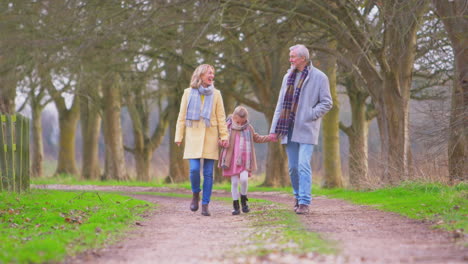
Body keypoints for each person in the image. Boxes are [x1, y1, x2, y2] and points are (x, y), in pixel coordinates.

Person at [269, 44, 333, 214]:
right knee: (293, 167)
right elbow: (280, 104)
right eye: (290, 56)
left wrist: (310, 114)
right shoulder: (287, 77)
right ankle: (297, 196)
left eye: (293, 57)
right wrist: (273, 129)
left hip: (306, 128)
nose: (290, 60)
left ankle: (305, 202)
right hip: (288, 128)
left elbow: (327, 102)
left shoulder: (320, 77)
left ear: (303, 58)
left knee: (304, 164)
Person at [175, 64, 229, 216]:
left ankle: (205, 204)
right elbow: (181, 116)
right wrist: (179, 136)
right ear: (200, 76)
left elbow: (221, 117)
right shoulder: (188, 93)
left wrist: (224, 136)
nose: (212, 75)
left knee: (208, 173)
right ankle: (195, 194)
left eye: (213, 73)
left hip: (211, 137)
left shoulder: (217, 94)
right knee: (193, 170)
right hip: (193, 136)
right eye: (208, 73)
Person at [219, 106, 276, 215]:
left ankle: (244, 200)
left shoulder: (248, 128)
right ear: (234, 117)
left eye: (243, 122)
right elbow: (220, 140)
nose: (240, 124)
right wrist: (222, 142)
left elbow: (257, 138)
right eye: (238, 122)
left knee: (244, 180)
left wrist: (270, 137)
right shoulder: (227, 127)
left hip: (245, 161)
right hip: (231, 161)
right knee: (235, 182)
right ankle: (236, 206)